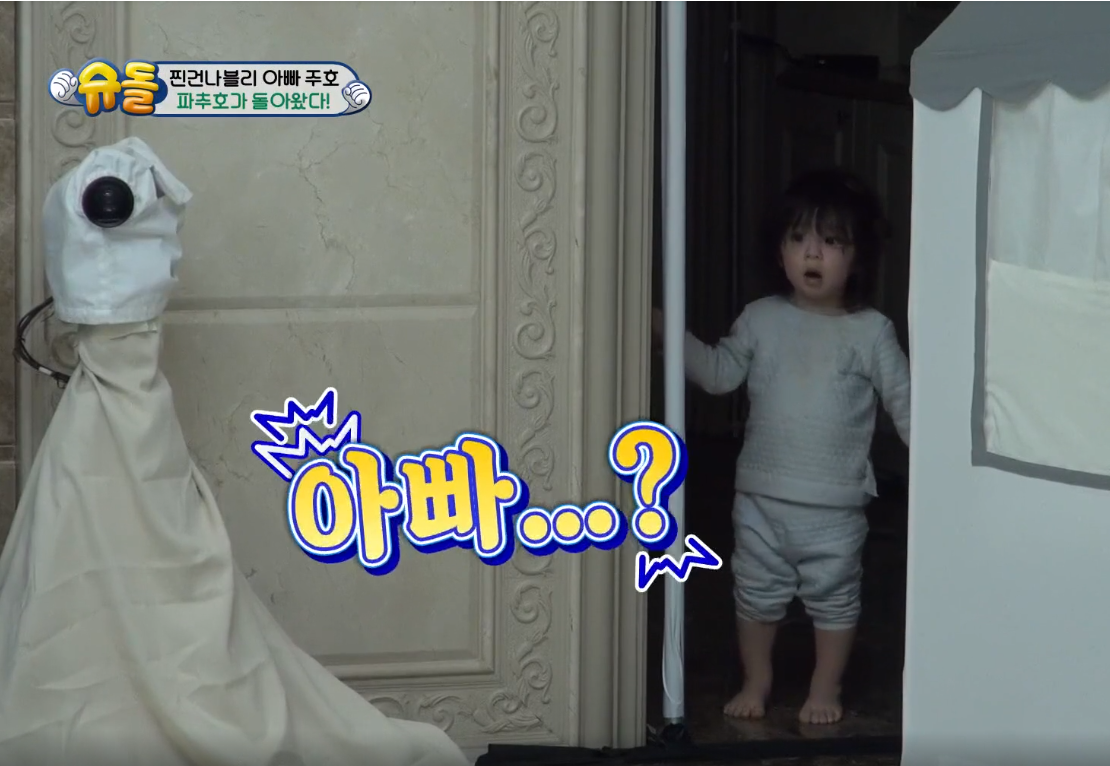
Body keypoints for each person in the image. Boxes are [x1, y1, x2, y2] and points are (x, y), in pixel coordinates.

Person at [653, 168, 910, 725]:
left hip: (835, 506)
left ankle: (825, 687)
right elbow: (718, 373)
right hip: (761, 498)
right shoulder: (761, 318)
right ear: (780, 252)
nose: (812, 253)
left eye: (831, 241)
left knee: (835, 598)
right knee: (755, 592)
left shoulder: (871, 332)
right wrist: (665, 330)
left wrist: (944, 468)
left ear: (857, 258)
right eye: (798, 238)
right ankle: (757, 679)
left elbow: (906, 405)